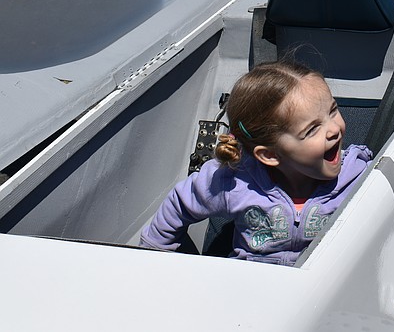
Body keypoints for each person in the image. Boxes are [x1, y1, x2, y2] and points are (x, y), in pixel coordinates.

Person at [139, 60, 372, 265]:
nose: (333, 129)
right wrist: (154, 257)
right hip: (249, 287)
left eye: (332, 111)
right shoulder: (235, 182)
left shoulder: (359, 178)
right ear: (270, 155)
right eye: (312, 129)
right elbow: (180, 204)